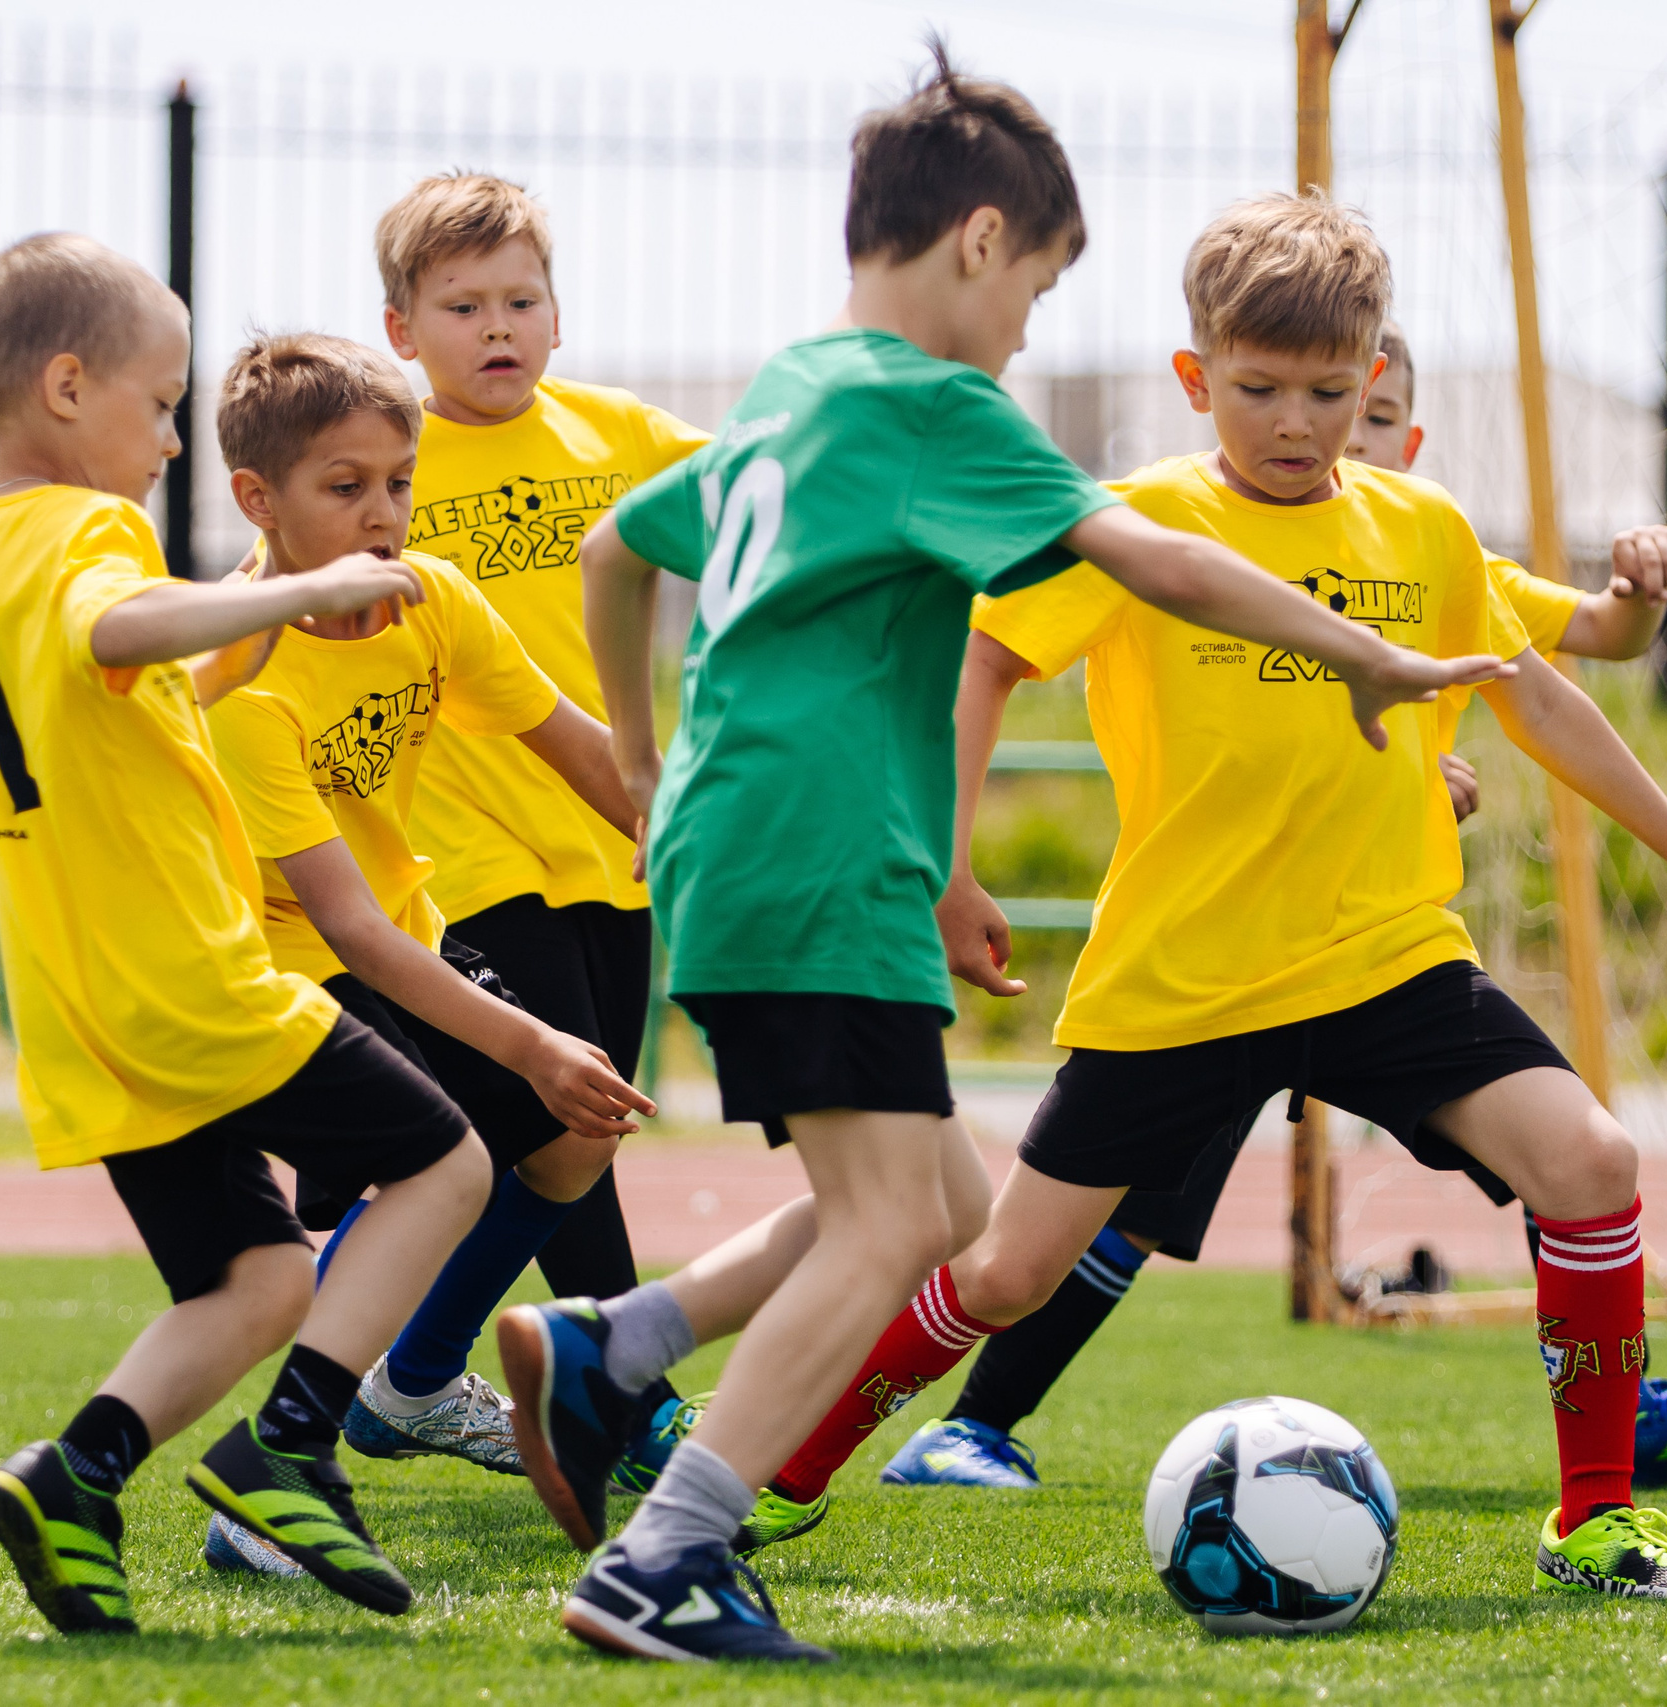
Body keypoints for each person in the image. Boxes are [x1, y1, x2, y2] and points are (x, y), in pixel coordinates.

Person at [493, 50, 1508, 1663]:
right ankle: (666, 1552)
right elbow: (1156, 555)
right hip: (822, 853)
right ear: (980, 242)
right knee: (891, 1224)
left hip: (745, 842)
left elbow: (619, 547)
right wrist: (1363, 653)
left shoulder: (796, 391)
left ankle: (621, 1341)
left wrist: (636, 750)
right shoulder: (931, 407)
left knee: (946, 1203)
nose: (1028, 330)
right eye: (1035, 289)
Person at [749, 192, 1667, 1603]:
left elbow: (1541, 695)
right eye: (1258, 388)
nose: (1296, 421)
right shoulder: (1139, 521)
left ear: (1372, 376)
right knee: (1005, 1274)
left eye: (1330, 392)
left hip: (1386, 956)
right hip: (1186, 977)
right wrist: (948, 869)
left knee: (1591, 1163)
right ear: (1197, 376)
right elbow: (983, 659)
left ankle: (1597, 1519)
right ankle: (772, 1478)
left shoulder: (1422, 528)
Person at [0, 235, 495, 1634]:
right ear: (68, 387)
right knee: (448, 1161)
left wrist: (247, 631)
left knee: (253, 1280)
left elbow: (127, 683)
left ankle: (75, 1478)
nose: (172, 439)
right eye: (160, 403)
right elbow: (115, 628)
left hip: (79, 1003)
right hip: (187, 975)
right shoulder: (84, 533)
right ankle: (291, 1447)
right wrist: (303, 592)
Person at [176, 333, 656, 1576]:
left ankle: (414, 1384)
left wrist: (703, 846)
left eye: (398, 482)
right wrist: (531, 1043)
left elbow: (580, 747)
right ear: (256, 500)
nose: (383, 513)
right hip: (276, 972)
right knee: (447, 1157)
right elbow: (345, 931)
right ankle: (276, 1461)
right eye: (345, 487)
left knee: (575, 1136)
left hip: (401, 936)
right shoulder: (242, 682)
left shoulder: (430, 599)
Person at [377, 170, 711, 1470]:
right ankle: (629, 1394)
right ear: (402, 329)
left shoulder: (619, 435)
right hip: (457, 852)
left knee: (575, 1133)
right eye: (462, 306)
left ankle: (415, 1372)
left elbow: (764, 510)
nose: (498, 326)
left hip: (612, 840)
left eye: (521, 299)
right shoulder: (383, 457)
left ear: (558, 316)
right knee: (577, 1116)